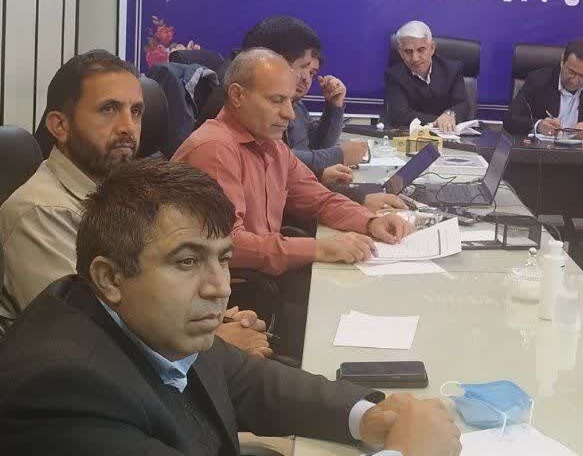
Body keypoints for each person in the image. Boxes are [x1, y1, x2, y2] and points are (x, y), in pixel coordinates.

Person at [0, 158, 461, 455]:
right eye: (187, 262)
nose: (219, 288)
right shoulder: (63, 390)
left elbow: (249, 382)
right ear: (110, 278)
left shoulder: (154, 322)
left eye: (222, 259)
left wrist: (366, 416)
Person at [0, 51, 269, 354]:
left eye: (137, 111)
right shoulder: (42, 211)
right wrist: (217, 344)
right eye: (108, 109)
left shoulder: (127, 195)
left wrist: (212, 318)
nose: (128, 126)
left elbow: (150, 293)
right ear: (60, 126)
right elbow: (83, 332)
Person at [173, 49, 412, 354]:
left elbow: (319, 199)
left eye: (290, 101)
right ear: (237, 95)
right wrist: (321, 248)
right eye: (277, 100)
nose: (289, 113)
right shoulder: (215, 149)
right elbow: (228, 245)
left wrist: (370, 221)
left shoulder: (271, 145)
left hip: (264, 280)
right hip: (227, 301)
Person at [241, 15, 368, 185]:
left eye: (312, 73)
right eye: (303, 67)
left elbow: (314, 148)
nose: (307, 79)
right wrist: (338, 156)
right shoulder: (250, 104)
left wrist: (334, 107)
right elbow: (274, 158)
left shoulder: (297, 106)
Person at [503, 38, 583, 139]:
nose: (574, 81)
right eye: (571, 72)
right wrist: (538, 125)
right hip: (543, 148)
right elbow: (510, 119)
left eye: (582, 76)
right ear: (562, 61)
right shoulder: (538, 80)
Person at [383, 21, 471, 131]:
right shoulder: (394, 75)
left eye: (421, 50)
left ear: (432, 48)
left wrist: (450, 114)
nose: (415, 58)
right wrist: (441, 121)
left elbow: (463, 105)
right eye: (408, 51)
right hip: (410, 135)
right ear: (401, 53)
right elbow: (401, 115)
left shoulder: (452, 70)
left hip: (449, 136)